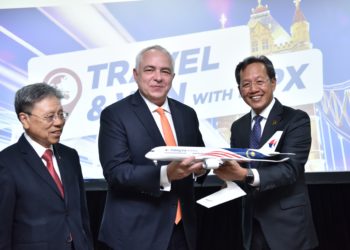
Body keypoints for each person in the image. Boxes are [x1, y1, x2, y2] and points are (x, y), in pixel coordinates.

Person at [98, 45, 206, 250]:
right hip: (136, 234)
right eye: (150, 70)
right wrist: (167, 173)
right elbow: (116, 172)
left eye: (165, 71)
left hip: (184, 231)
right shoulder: (115, 114)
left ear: (172, 77)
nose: (158, 77)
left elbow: (199, 156)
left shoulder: (187, 114)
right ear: (136, 75)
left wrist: (201, 168)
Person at [214, 55, 319, 250]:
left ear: (273, 82)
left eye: (259, 82)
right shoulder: (238, 127)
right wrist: (226, 179)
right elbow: (240, 170)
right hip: (251, 228)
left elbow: (290, 170)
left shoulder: (296, 119)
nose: (253, 89)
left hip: (289, 229)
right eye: (246, 84)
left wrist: (245, 174)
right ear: (239, 90)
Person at [0, 83, 94, 250]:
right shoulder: (6, 163)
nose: (58, 122)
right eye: (50, 116)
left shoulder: (70, 156)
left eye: (61, 114)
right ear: (25, 119)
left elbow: (82, 216)